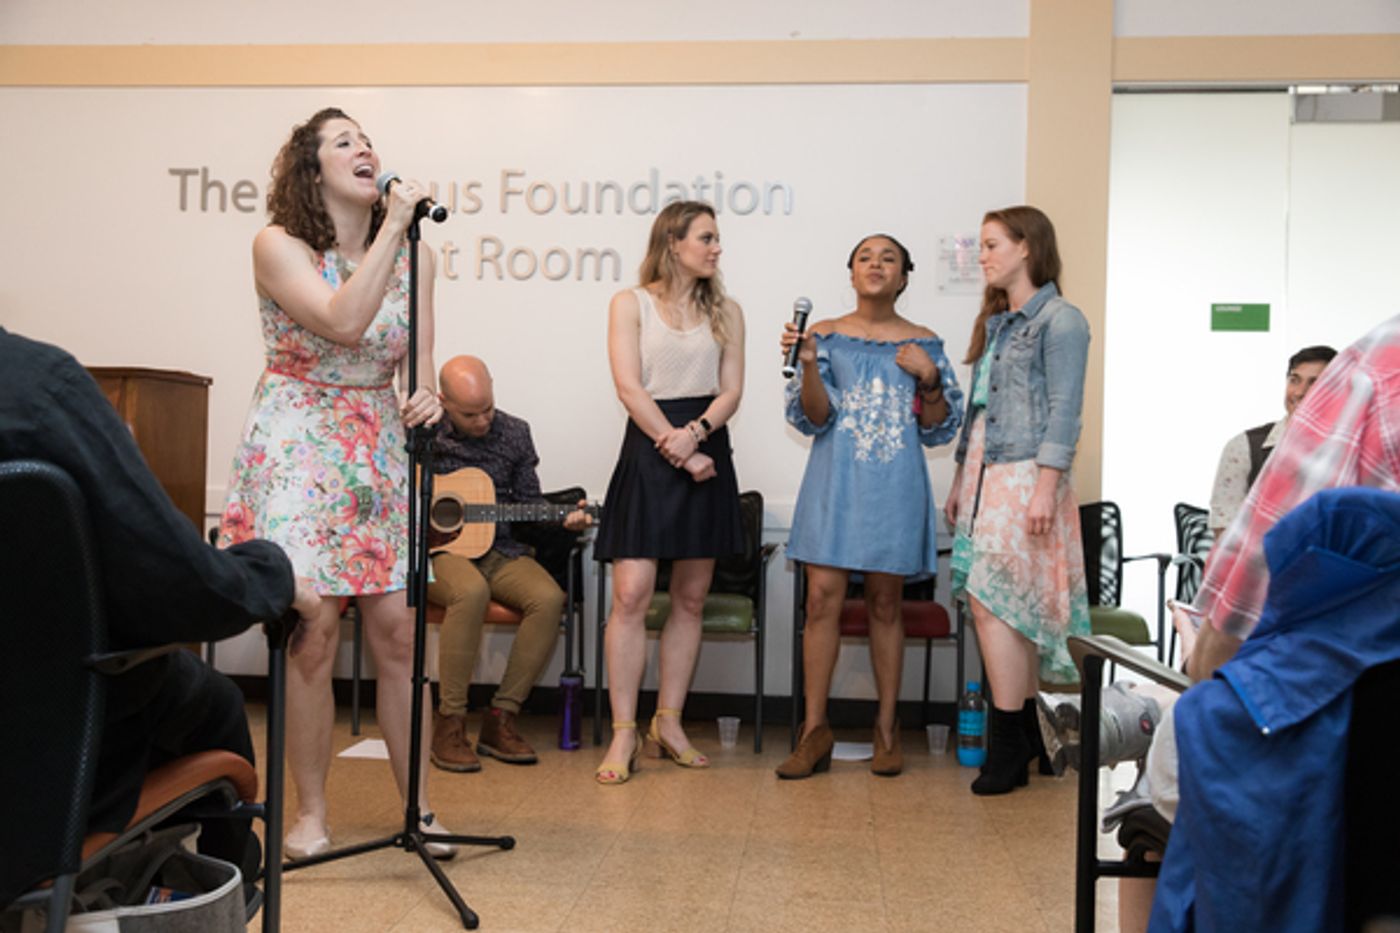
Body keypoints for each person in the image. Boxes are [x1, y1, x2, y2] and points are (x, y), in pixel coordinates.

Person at [0, 327, 319, 911]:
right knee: (211, 700)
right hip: (32, 792)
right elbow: (181, 590)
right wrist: (275, 574)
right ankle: (224, 892)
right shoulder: (37, 388)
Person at [216, 107, 452, 859]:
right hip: (300, 446)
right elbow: (344, 321)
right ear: (310, 169)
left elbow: (414, 357)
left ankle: (418, 807)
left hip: (377, 449)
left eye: (367, 139)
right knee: (312, 635)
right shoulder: (278, 245)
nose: (365, 148)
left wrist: (426, 394)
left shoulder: (418, 257)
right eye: (343, 141)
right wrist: (395, 226)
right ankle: (310, 815)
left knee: (400, 632)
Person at [776, 234, 964, 779]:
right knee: (820, 602)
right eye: (865, 258)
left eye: (889, 259)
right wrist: (810, 364)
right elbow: (812, 419)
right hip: (835, 485)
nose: (876, 265)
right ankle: (814, 731)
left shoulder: (925, 342)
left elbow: (938, 430)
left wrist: (929, 380)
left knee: (887, 605)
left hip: (895, 489)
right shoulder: (824, 334)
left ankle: (886, 728)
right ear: (851, 274)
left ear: (905, 276)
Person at [592, 200, 746, 785]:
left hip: (706, 447)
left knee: (689, 598)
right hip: (653, 448)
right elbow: (629, 387)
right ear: (673, 241)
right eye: (706, 237)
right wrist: (674, 444)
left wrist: (697, 436)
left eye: (716, 238)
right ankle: (624, 732)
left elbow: (730, 391)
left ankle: (670, 722)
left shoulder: (728, 310)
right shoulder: (629, 303)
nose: (715, 248)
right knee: (631, 595)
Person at [944, 205, 1092, 796]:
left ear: (1027, 247)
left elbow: (1065, 410)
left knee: (996, 606)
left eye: (991, 245)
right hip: (986, 474)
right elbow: (979, 412)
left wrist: (1046, 487)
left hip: (1026, 473)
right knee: (1004, 607)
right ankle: (1028, 733)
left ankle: (1007, 744)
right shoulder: (1000, 323)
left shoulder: (1061, 320)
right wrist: (960, 478)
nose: (981, 256)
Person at [426, 354, 591, 772]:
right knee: (470, 592)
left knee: (548, 598)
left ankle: (501, 718)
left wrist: (563, 520)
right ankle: (450, 722)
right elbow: (393, 491)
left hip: (498, 548)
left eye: (488, 409)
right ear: (443, 400)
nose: (482, 421)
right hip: (436, 552)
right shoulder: (420, 432)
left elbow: (529, 505)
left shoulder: (516, 433)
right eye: (469, 414)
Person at [1207, 344, 1336, 534]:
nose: (1300, 393)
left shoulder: (1354, 450)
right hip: (1260, 560)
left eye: (1314, 383)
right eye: (1294, 380)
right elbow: (1225, 534)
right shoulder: (1244, 447)